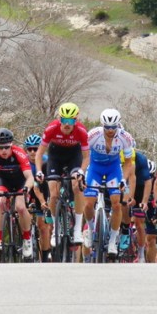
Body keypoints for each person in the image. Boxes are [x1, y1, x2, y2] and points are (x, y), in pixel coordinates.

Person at [80, 108, 136, 258]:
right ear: (102, 125)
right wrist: (81, 172)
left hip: (113, 169)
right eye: (107, 127)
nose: (110, 130)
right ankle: (91, 231)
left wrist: (123, 179)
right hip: (95, 168)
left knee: (116, 203)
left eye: (113, 127)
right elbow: (84, 155)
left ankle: (112, 241)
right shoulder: (92, 135)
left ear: (118, 125)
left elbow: (129, 163)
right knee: (88, 203)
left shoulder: (125, 137)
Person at [34, 102, 91, 244]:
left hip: (74, 155)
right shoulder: (51, 129)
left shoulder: (81, 131)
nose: (67, 124)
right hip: (55, 155)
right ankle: (55, 230)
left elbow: (86, 157)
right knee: (53, 194)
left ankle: (77, 229)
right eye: (64, 120)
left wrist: (81, 172)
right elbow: (39, 154)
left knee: (77, 187)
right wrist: (39, 171)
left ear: (76, 120)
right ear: (59, 119)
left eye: (71, 121)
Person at [0, 127, 38, 260]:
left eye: (6, 147)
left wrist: (26, 189)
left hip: (20, 182)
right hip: (4, 181)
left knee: (20, 207)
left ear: (11, 145)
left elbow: (30, 177)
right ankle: (1, 240)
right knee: (0, 202)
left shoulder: (19, 153)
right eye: (0, 147)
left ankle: (26, 239)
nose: (3, 151)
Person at [24, 133, 53, 260]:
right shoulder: (23, 161)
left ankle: (46, 255)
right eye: (29, 149)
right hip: (27, 190)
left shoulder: (46, 161)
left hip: (43, 190)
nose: (32, 152)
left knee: (43, 226)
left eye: (35, 149)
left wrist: (43, 201)